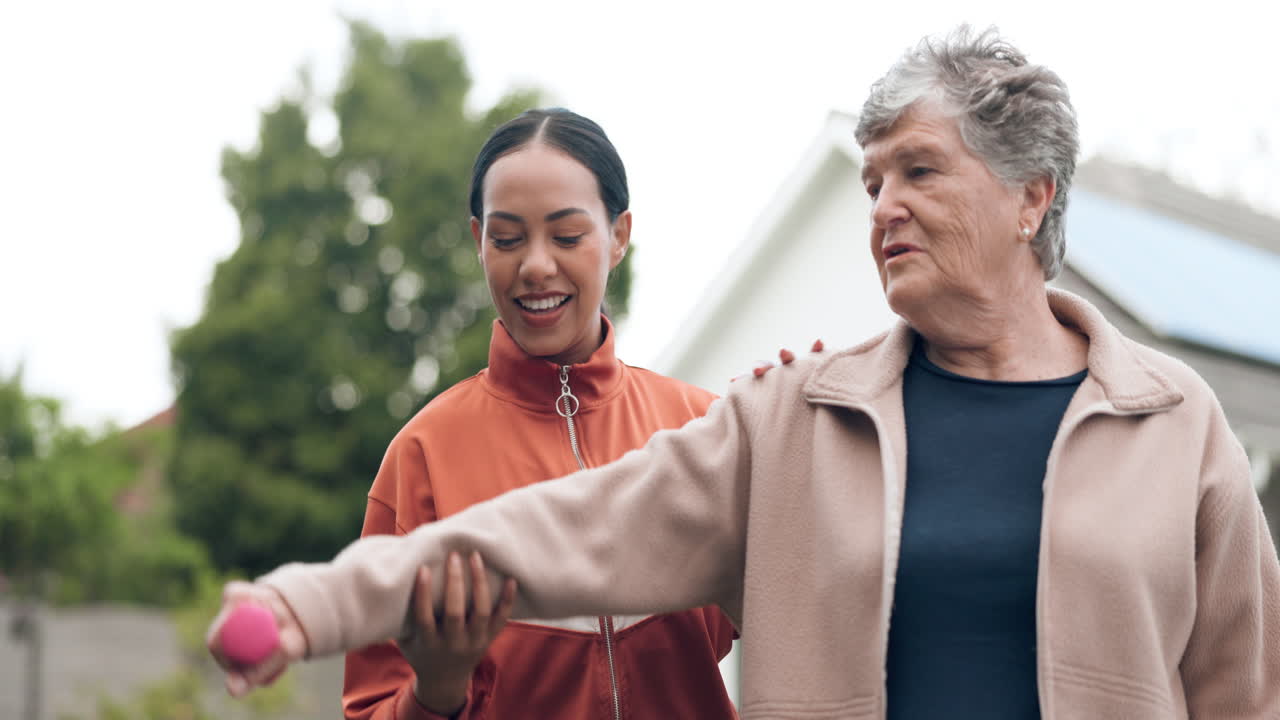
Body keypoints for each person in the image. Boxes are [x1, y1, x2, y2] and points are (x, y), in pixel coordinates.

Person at [209, 27, 1280, 719]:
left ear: (1030, 197)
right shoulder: (789, 424)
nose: (881, 208)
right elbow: (558, 529)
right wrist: (306, 603)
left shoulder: (1172, 423)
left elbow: (1242, 690)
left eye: (917, 171)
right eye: (869, 182)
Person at [272, 108, 740, 720]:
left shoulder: (704, 430)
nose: (536, 265)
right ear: (478, 242)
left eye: (568, 236)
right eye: (509, 238)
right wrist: (437, 689)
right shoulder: (422, 457)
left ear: (619, 234)